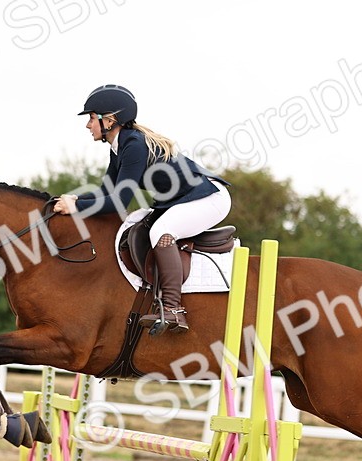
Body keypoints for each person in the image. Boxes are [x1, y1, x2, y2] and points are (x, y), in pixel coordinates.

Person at [54, 85, 231, 334]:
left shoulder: (134, 146)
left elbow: (118, 202)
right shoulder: (120, 146)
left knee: (161, 231)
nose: (88, 125)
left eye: (92, 118)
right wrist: (74, 200)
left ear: (110, 120)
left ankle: (172, 309)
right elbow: (107, 192)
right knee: (140, 221)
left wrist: (76, 207)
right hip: (185, 199)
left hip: (209, 198)